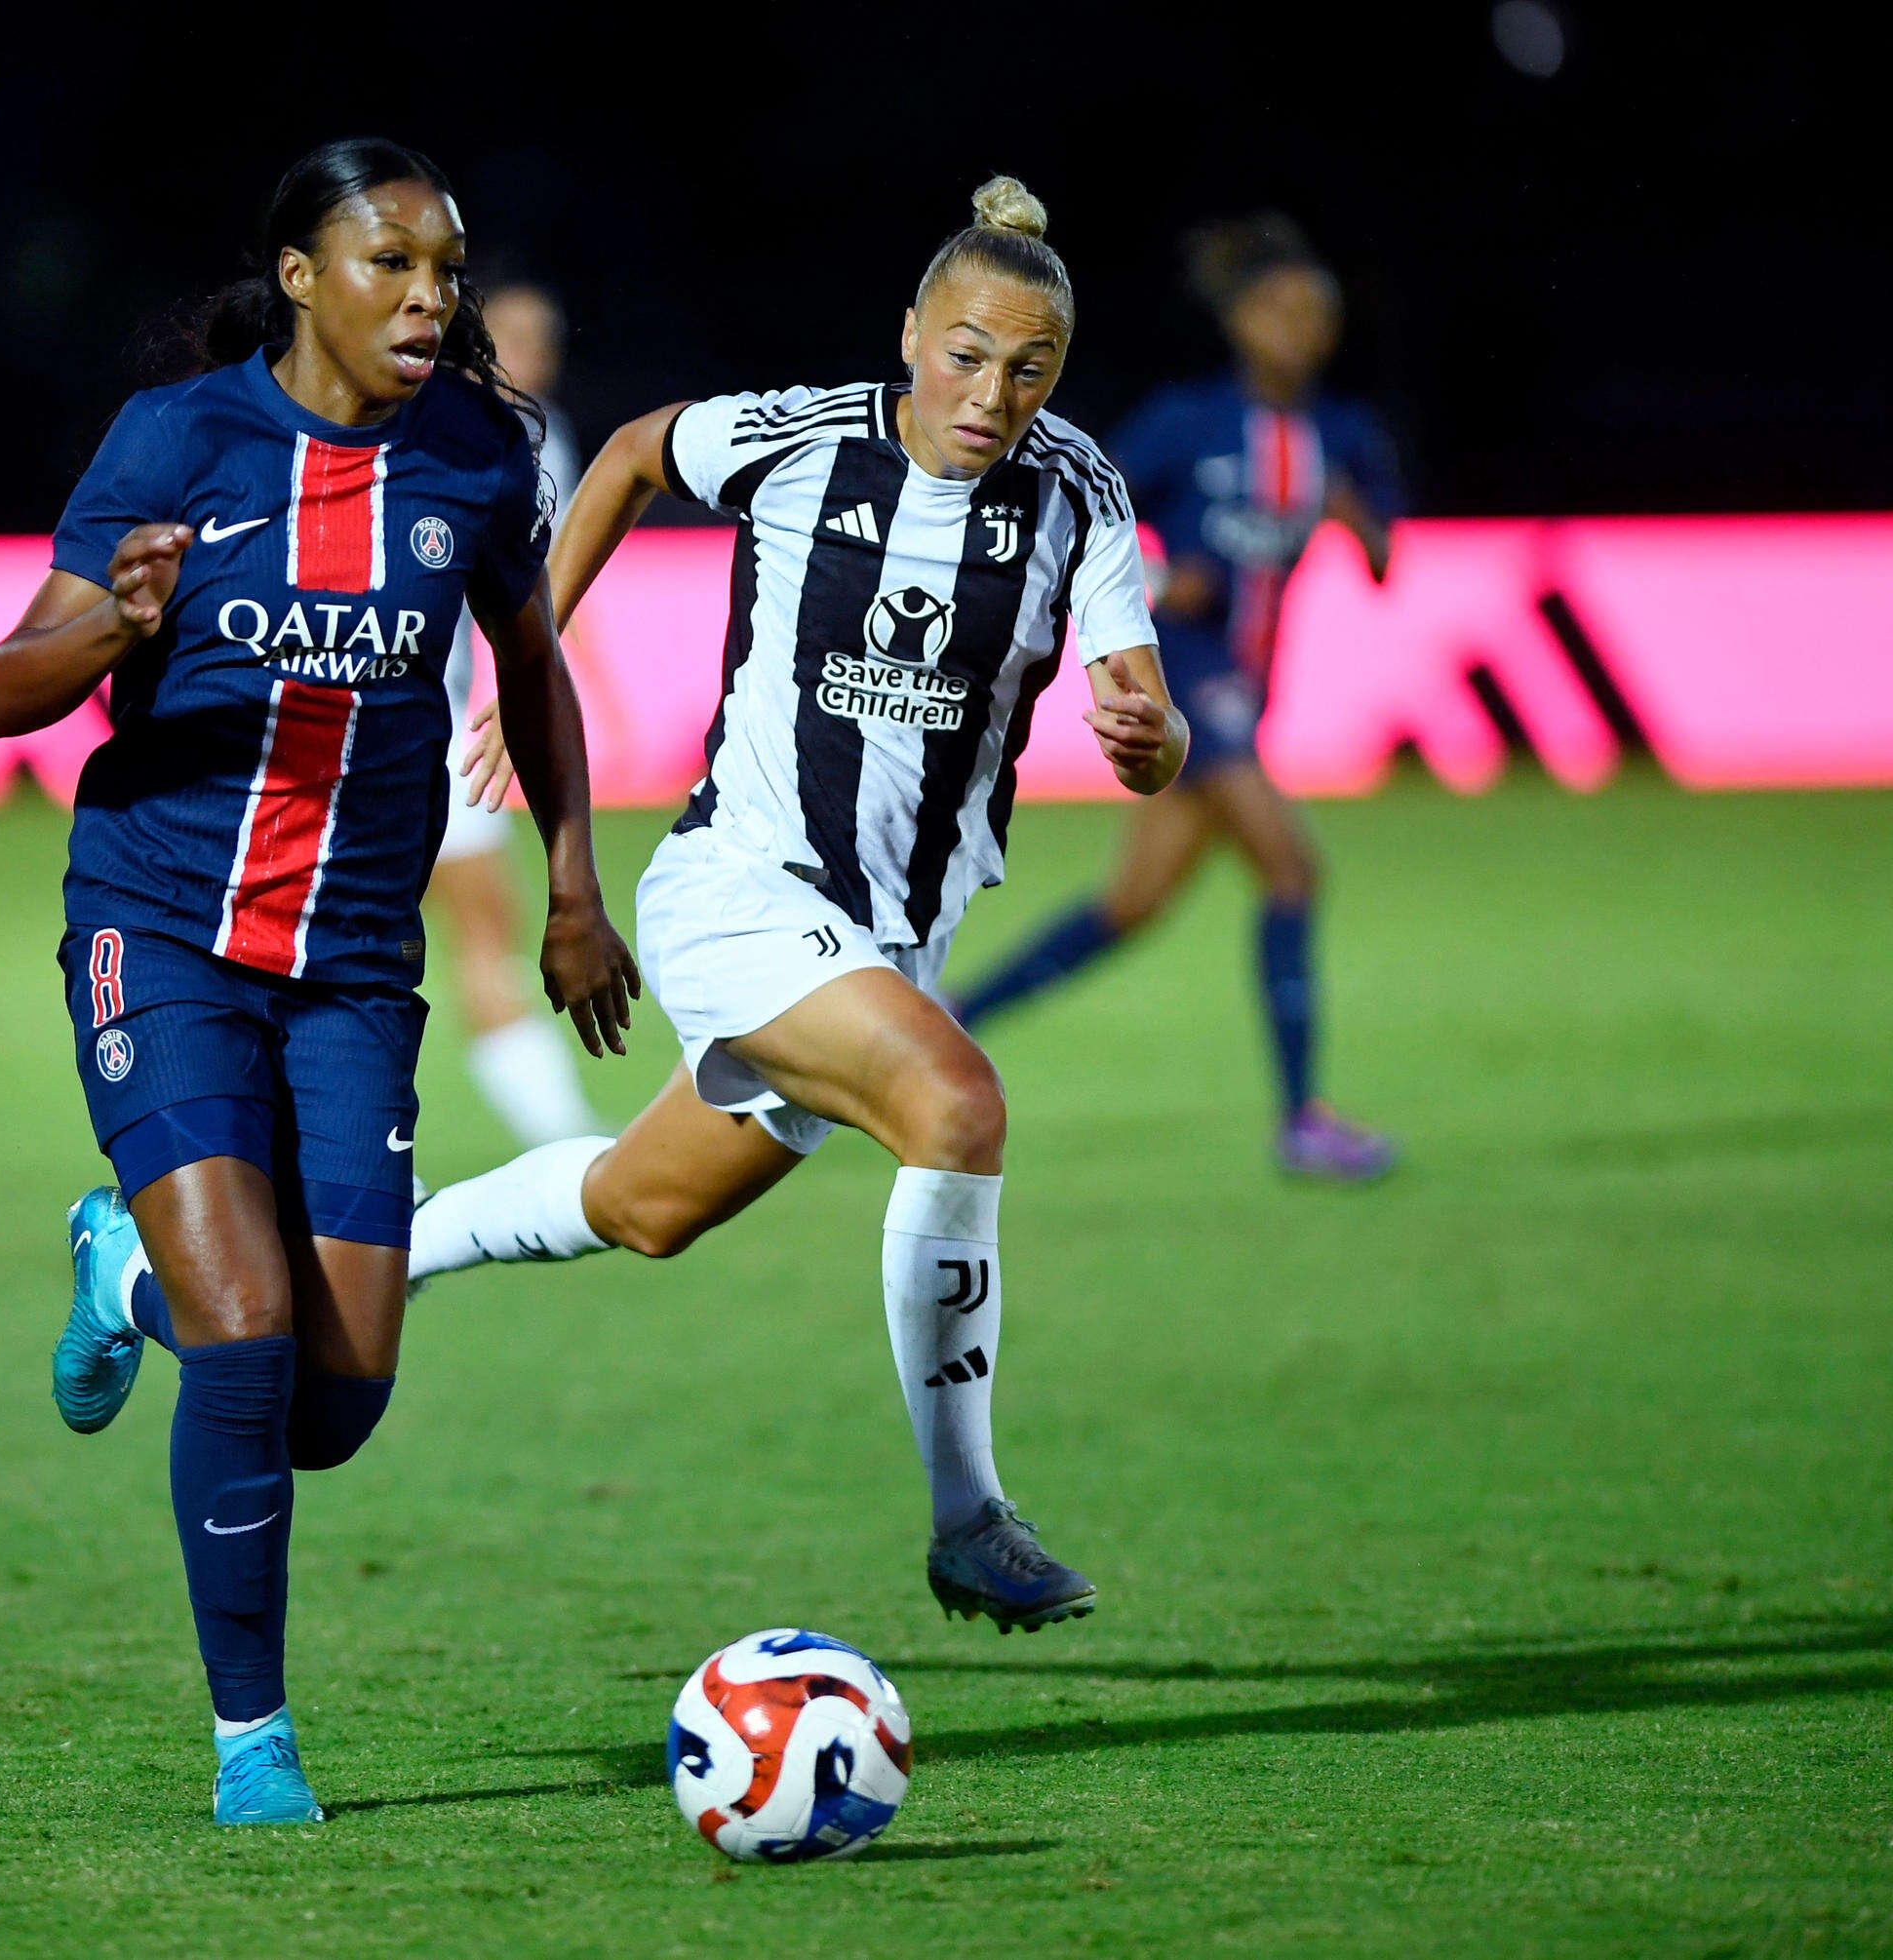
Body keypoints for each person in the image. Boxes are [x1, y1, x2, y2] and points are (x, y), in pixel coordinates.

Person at [412, 178, 1182, 1636]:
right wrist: (534, 652)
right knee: (958, 1106)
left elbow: (1139, 700)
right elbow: (636, 452)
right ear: (910, 332)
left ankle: (382, 1247)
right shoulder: (800, 439)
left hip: (885, 948)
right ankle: (971, 1518)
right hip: (739, 892)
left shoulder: (1077, 487)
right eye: (964, 352)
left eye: (1029, 366)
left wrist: (1154, 739)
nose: (991, 391)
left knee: (642, 1209)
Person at [0, 139, 639, 1825]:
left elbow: (532, 666)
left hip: (354, 965)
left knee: (335, 1407)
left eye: (449, 268)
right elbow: (6, 692)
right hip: (166, 928)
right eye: (391, 266)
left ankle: (121, 1273)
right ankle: (251, 1743)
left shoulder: (479, 454)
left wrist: (573, 884)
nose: (432, 299)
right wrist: (111, 630)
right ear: (299, 278)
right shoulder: (179, 440)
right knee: (254, 1339)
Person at [951, 214, 1400, 1179]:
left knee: (1131, 903)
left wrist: (1351, 510)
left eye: (1313, 312)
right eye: (1277, 308)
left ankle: (947, 1022)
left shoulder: (1342, 434)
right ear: (1238, 321)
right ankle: (1302, 1122)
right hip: (1187, 681)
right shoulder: (1187, 423)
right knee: (1292, 872)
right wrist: (1157, 587)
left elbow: (1380, 563)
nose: (1298, 327)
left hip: (1249, 689)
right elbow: (1069, 508)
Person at [426, 281, 604, 1147]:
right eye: (513, 334)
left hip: (438, 719)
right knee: (483, 933)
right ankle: (565, 1142)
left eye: (544, 335)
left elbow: (549, 594)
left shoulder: (522, 432)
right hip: (425, 728)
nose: (531, 350)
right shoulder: (481, 436)